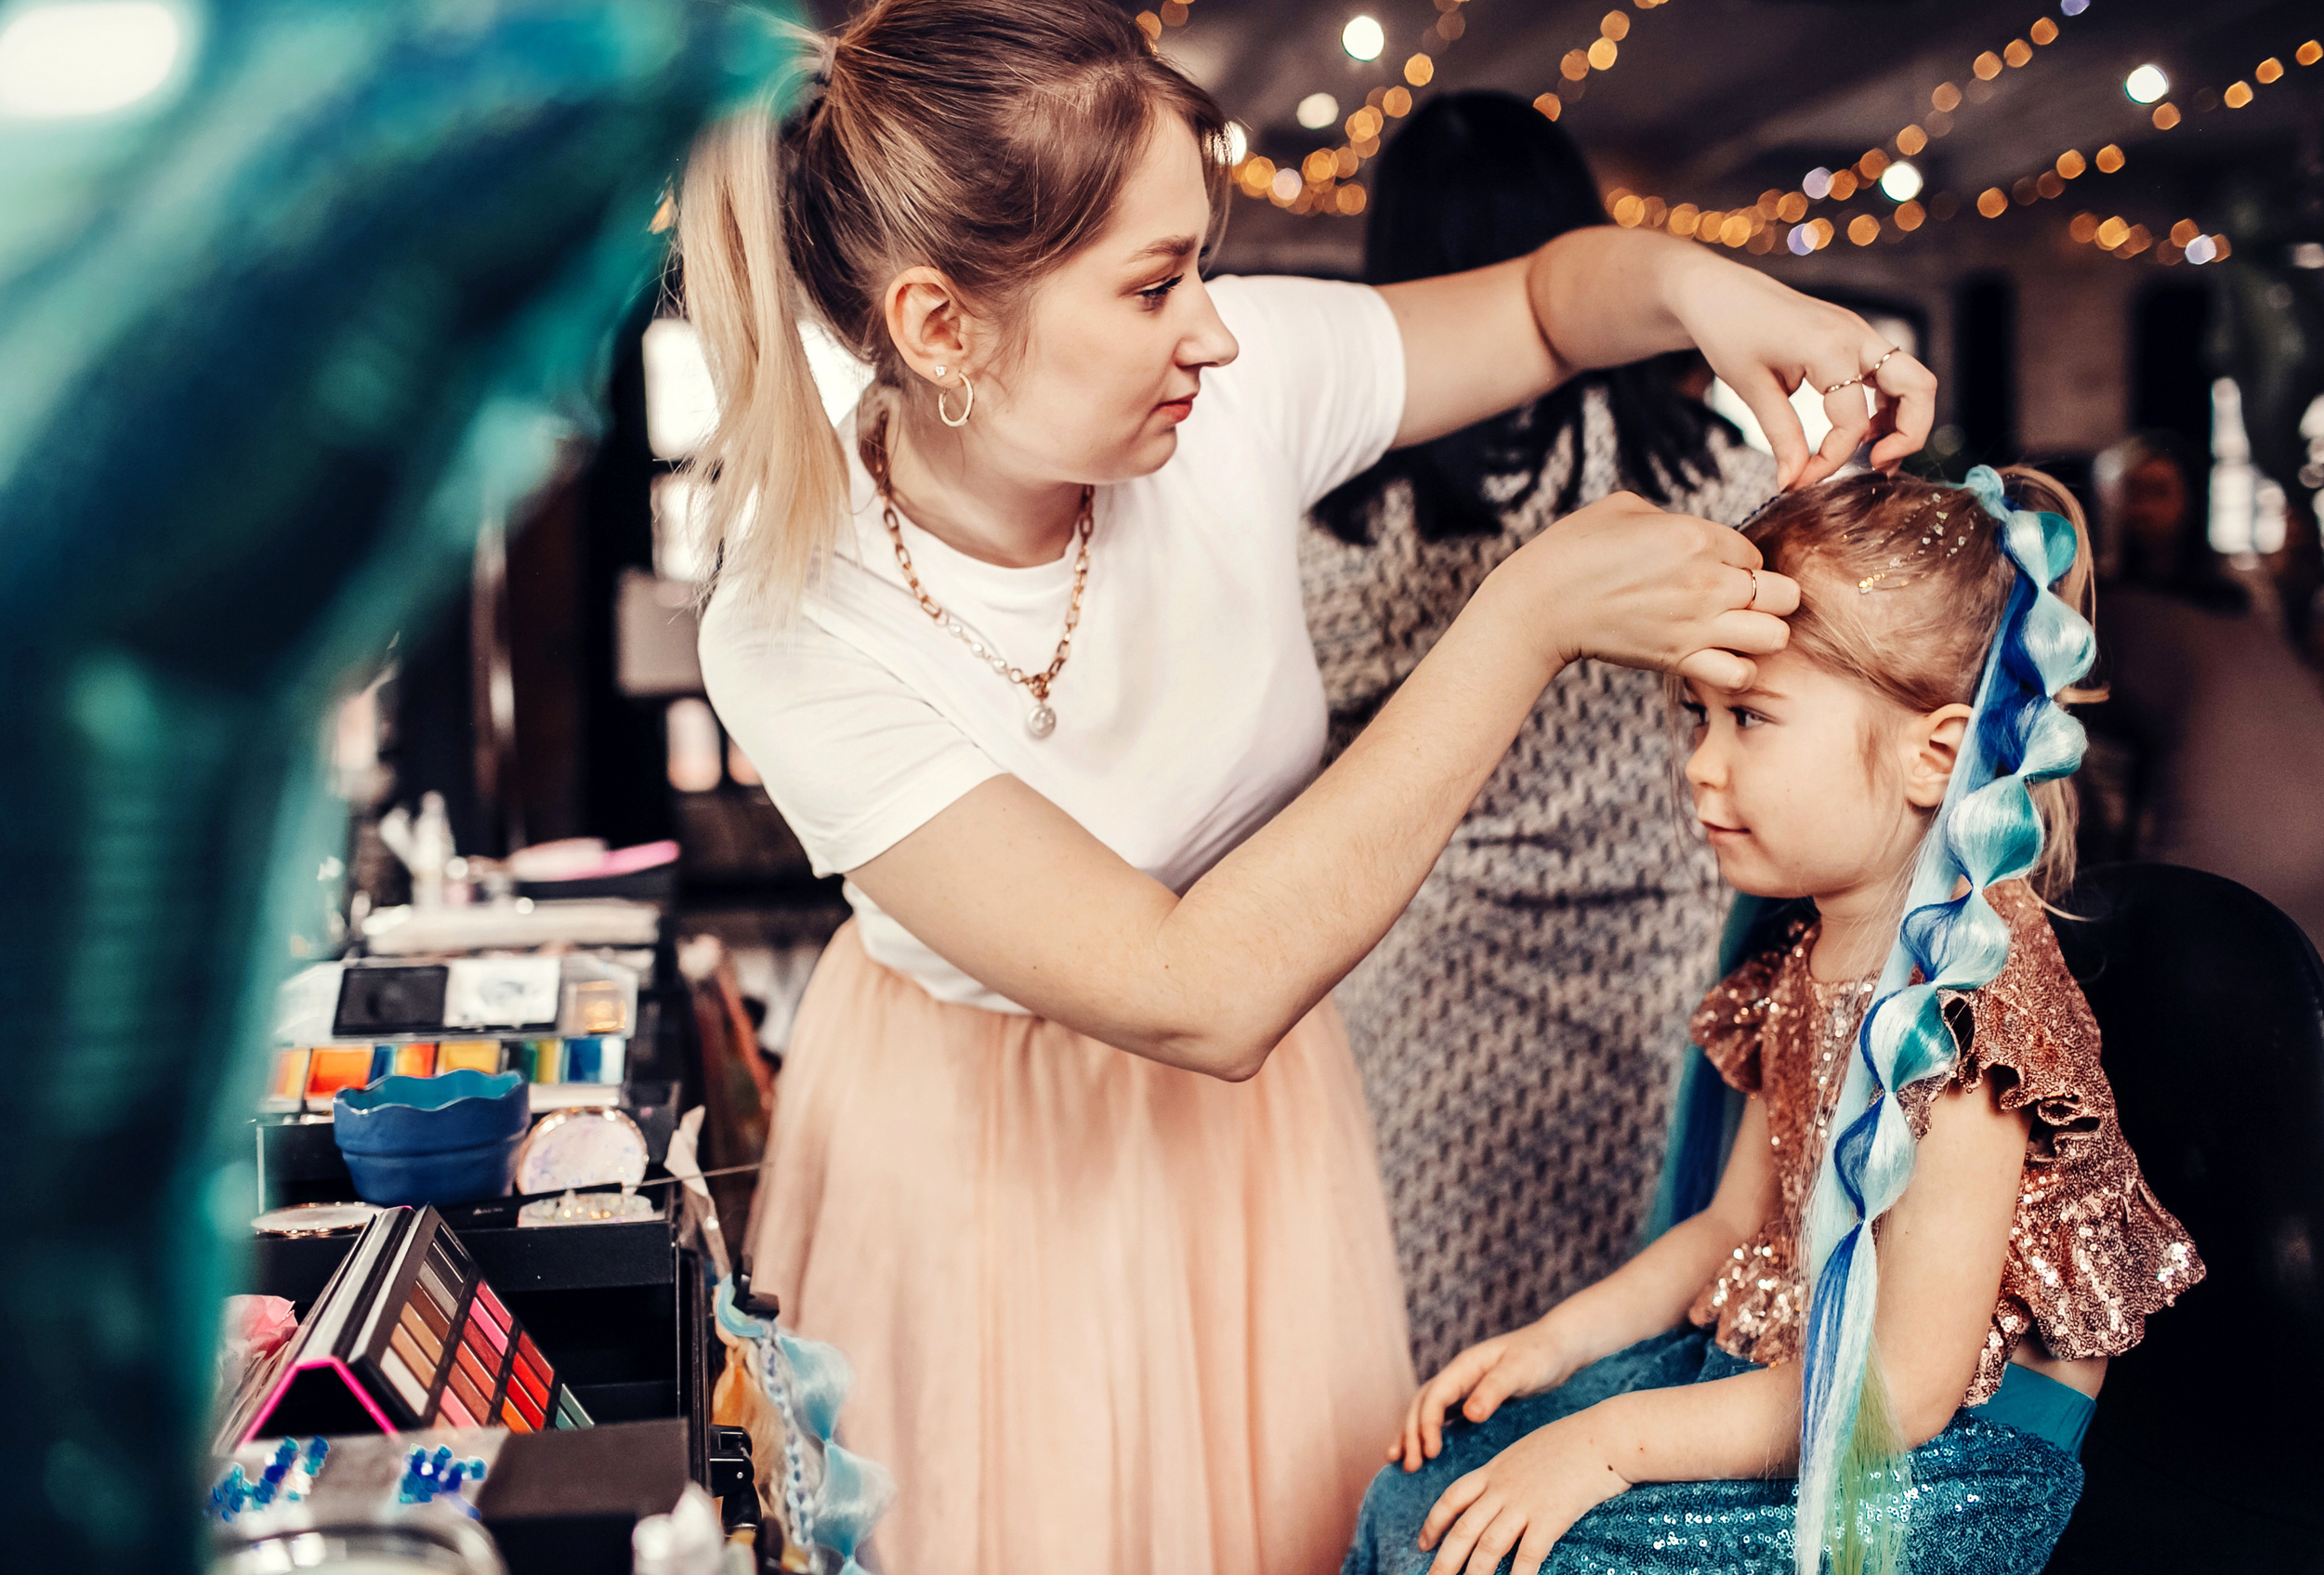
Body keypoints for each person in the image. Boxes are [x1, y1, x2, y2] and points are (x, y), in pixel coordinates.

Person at [681, 4, 1935, 1568]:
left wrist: (1703, 289)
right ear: (943, 328)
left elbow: (1543, 304)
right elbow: (1190, 987)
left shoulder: (1235, 390)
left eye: (1201, 269)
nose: (1215, 332)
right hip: (977, 1145)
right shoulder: (795, 621)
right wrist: (1528, 612)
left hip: (1254, 1138)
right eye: (1154, 285)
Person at [1346, 469, 2201, 1575]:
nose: (1701, 767)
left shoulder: (1971, 1016)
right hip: (1793, 1377)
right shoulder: (1804, 954)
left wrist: (1605, 1444)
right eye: (1697, 718)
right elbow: (1727, 1227)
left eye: (1749, 718)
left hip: (1931, 1465)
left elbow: (1902, 1393)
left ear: (1934, 756)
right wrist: (1552, 1346)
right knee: (1418, 1495)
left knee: (1527, 1556)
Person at [1301, 90, 1775, 1379]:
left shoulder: (1339, 519)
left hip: (1422, 998)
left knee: (1433, 1371)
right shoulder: (1717, 486)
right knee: (1639, 1356)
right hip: (1669, 980)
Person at [2088, 434, 2324, 1051]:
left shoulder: (2227, 604)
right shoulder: (2134, 610)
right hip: (2318, 833)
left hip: (2300, 838)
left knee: (2253, 1046)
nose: (2144, 508)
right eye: (2131, 491)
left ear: (2191, 499)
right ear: (2106, 500)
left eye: (2159, 491)